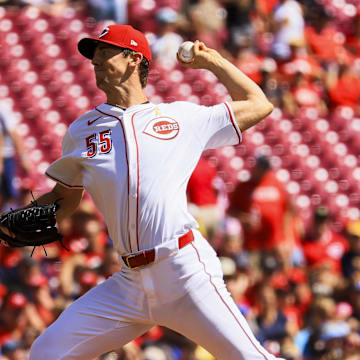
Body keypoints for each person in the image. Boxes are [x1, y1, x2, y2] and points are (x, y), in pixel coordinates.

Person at [1, 24, 276, 359]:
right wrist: (13, 222)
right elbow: (64, 199)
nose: (95, 61)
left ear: (133, 58)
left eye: (104, 52)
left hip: (183, 270)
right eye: (94, 55)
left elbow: (258, 104)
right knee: (46, 352)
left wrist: (213, 61)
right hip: (129, 283)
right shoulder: (81, 131)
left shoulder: (181, 117)